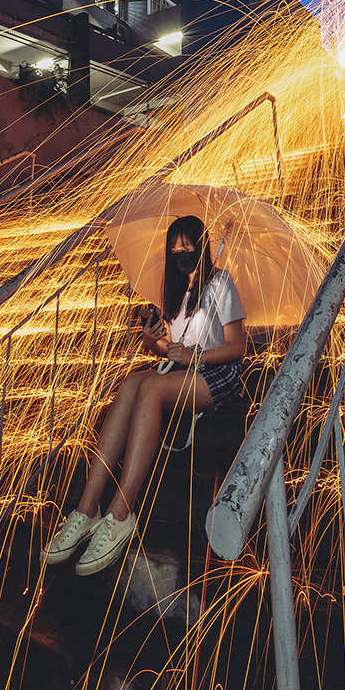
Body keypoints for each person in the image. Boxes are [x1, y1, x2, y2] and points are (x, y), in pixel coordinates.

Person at [41, 215, 246, 576]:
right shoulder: (178, 292)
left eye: (187, 249)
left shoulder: (220, 283)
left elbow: (238, 347)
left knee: (149, 386)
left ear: (201, 248)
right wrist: (155, 343)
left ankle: (121, 512)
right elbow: (173, 349)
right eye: (175, 251)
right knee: (132, 383)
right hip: (185, 371)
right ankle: (86, 509)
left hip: (218, 373)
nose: (180, 256)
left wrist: (194, 356)